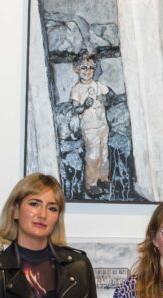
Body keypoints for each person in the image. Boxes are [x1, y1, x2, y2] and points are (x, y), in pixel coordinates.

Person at [70, 50, 113, 197]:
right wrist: (85, 106)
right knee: (93, 155)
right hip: (89, 128)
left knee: (104, 153)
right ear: (76, 69)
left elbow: (109, 99)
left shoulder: (98, 85)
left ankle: (103, 177)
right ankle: (91, 184)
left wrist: (104, 100)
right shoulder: (77, 89)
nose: (87, 71)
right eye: (83, 68)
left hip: (102, 125)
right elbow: (76, 109)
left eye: (90, 68)